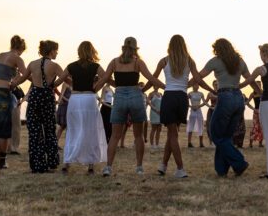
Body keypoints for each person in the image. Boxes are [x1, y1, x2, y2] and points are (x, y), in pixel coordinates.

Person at [94, 37, 165, 177]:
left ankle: (108, 167)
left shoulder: (114, 62)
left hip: (119, 96)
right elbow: (151, 78)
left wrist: (94, 89)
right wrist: (164, 87)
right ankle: (139, 168)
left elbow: (105, 78)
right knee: (138, 135)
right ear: (135, 49)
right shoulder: (138, 62)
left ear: (123, 48)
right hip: (135, 96)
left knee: (115, 136)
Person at [195, 38, 258, 177]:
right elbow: (250, 79)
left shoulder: (215, 61)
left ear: (218, 49)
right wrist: (260, 92)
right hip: (238, 98)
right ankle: (222, 170)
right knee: (226, 136)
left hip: (225, 96)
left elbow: (198, 77)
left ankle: (240, 162)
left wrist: (207, 89)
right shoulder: (240, 61)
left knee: (215, 134)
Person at [51, 41, 108, 175]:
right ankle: (91, 166)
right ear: (91, 51)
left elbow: (58, 81)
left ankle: (67, 164)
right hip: (89, 98)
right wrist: (96, 87)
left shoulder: (71, 66)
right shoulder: (95, 66)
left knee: (73, 130)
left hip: (75, 100)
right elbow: (106, 77)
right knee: (90, 131)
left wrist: (70, 82)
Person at [12, 40, 64, 174]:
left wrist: (11, 85)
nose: (57, 53)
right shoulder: (55, 66)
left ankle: (37, 165)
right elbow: (66, 78)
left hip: (35, 96)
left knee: (35, 132)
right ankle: (51, 163)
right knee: (49, 130)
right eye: (56, 50)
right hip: (47, 96)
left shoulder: (32, 64)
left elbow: (23, 79)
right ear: (51, 51)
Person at [239, 43, 268, 178]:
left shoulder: (261, 69)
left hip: (267, 104)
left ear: (264, 54)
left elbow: (248, 81)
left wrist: (235, 86)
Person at [0, 35, 27, 170]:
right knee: (4, 129)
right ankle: (2, 162)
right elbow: (26, 74)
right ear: (21, 48)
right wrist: (14, 83)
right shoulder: (17, 58)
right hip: (3, 93)